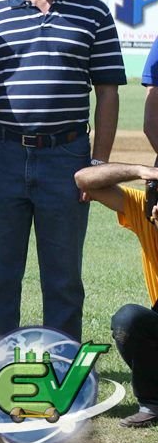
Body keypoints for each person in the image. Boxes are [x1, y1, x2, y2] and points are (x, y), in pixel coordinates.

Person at [0, 0, 125, 356]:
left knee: (63, 279)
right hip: (4, 156)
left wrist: (98, 165)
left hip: (67, 157)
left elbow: (107, 92)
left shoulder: (93, 11)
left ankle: (65, 380)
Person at [74, 162, 158, 428]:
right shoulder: (143, 211)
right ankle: (152, 402)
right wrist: (140, 170)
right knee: (129, 320)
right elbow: (84, 179)